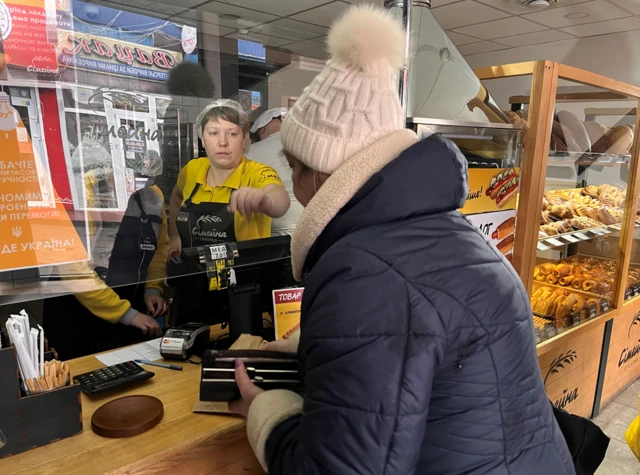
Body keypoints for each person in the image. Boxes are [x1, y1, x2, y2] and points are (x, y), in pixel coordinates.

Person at [228, 6, 575, 475]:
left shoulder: (364, 273)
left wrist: (266, 415)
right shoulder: (452, 236)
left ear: (324, 172)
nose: (295, 191)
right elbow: (422, 349)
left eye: (294, 168)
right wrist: (322, 349)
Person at [43, 150, 166, 360]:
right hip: (75, 312)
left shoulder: (153, 196)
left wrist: (152, 288)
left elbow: (160, 247)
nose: (137, 186)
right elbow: (73, 269)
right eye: (132, 177)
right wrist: (126, 314)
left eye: (145, 179)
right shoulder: (82, 193)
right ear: (111, 169)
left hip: (130, 308)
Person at [168, 99, 289, 257]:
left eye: (232, 133)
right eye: (213, 133)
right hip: (193, 274)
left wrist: (264, 200)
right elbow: (177, 197)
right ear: (202, 139)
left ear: (244, 140)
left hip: (242, 276)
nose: (222, 142)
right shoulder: (192, 169)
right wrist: (174, 235)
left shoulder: (257, 172)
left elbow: (280, 202)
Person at [247, 108, 303, 236]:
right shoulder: (307, 145)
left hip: (276, 227)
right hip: (313, 223)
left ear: (262, 130)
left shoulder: (251, 151)